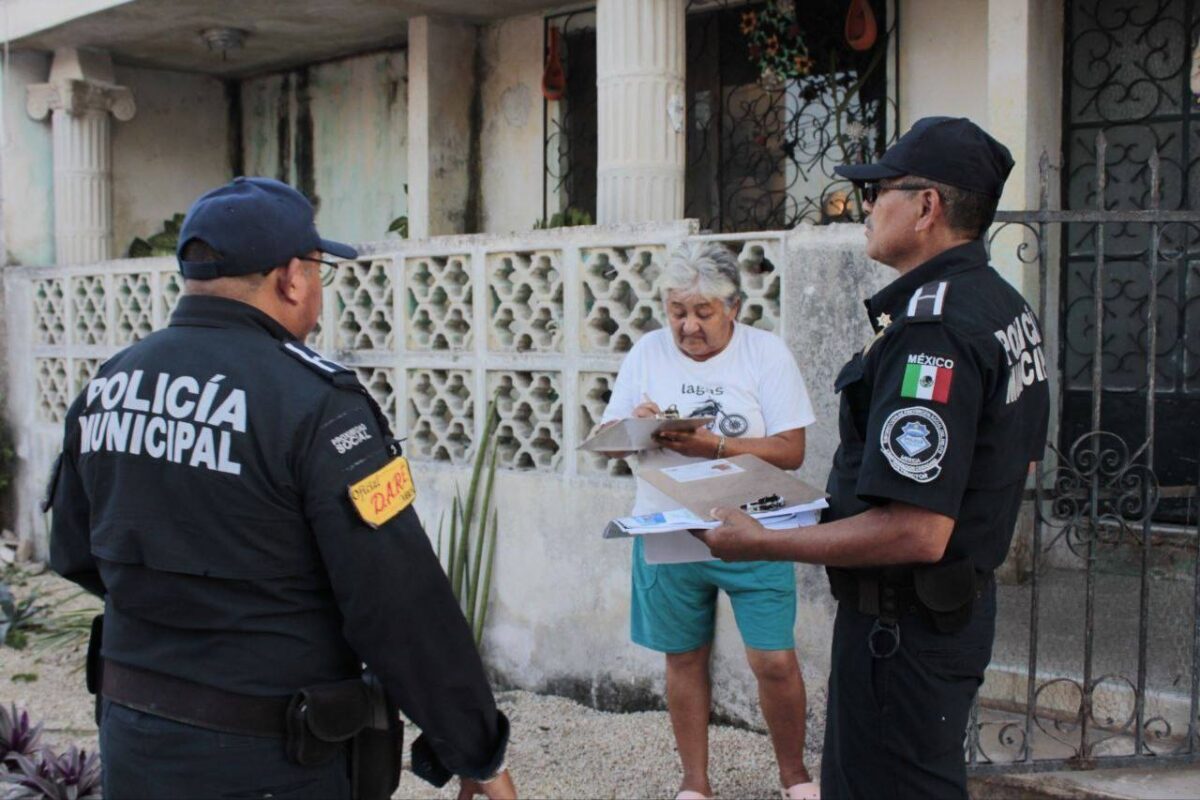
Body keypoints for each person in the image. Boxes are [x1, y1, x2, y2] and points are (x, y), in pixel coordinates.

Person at [46, 176, 517, 800]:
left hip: (136, 737)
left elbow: (74, 552)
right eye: (319, 270)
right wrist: (476, 752)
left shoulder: (108, 384)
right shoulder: (319, 404)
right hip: (271, 757)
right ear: (292, 277)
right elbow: (399, 602)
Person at [694, 117, 1050, 799]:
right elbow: (1012, 462)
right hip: (943, 619)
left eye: (881, 190)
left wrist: (765, 541)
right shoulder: (1000, 304)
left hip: (903, 632)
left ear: (927, 207)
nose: (866, 206)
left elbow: (919, 528)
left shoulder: (935, 331)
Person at [599, 241, 819, 800]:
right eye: (677, 311)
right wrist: (637, 424)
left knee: (772, 659)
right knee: (684, 657)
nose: (688, 327)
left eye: (703, 312)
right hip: (668, 527)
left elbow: (791, 450)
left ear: (734, 308)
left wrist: (710, 444)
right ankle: (695, 784)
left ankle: (795, 777)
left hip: (756, 530)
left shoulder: (765, 354)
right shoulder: (646, 353)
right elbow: (608, 444)